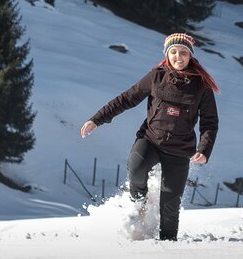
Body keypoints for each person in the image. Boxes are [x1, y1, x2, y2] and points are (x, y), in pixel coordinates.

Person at [80, 32, 219, 241]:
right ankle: (138, 204)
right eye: (173, 52)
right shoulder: (156, 76)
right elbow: (126, 98)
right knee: (136, 167)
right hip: (151, 140)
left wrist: (204, 149)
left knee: (170, 205)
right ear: (167, 54)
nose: (178, 57)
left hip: (180, 150)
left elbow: (210, 121)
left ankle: (168, 244)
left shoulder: (201, 86)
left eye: (183, 52)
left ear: (190, 56)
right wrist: (97, 119)